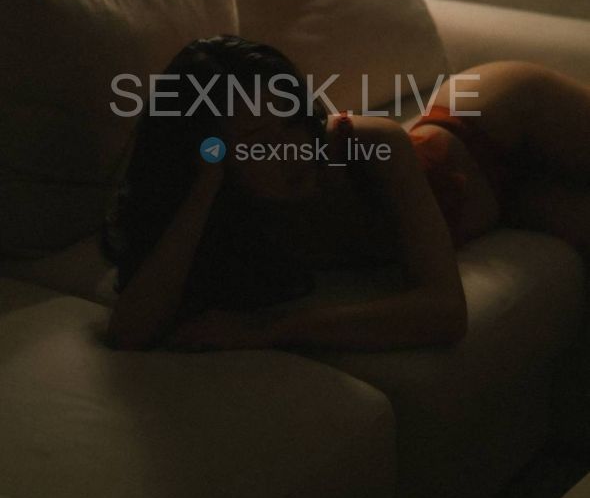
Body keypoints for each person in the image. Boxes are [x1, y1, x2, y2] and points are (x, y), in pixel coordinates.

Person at [100, 36, 590, 353]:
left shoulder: (368, 145)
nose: (293, 150)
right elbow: (129, 331)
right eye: (258, 141)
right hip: (510, 201)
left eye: (292, 122)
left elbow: (446, 312)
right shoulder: (227, 220)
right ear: (211, 154)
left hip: (499, 119)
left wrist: (270, 330)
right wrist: (202, 184)